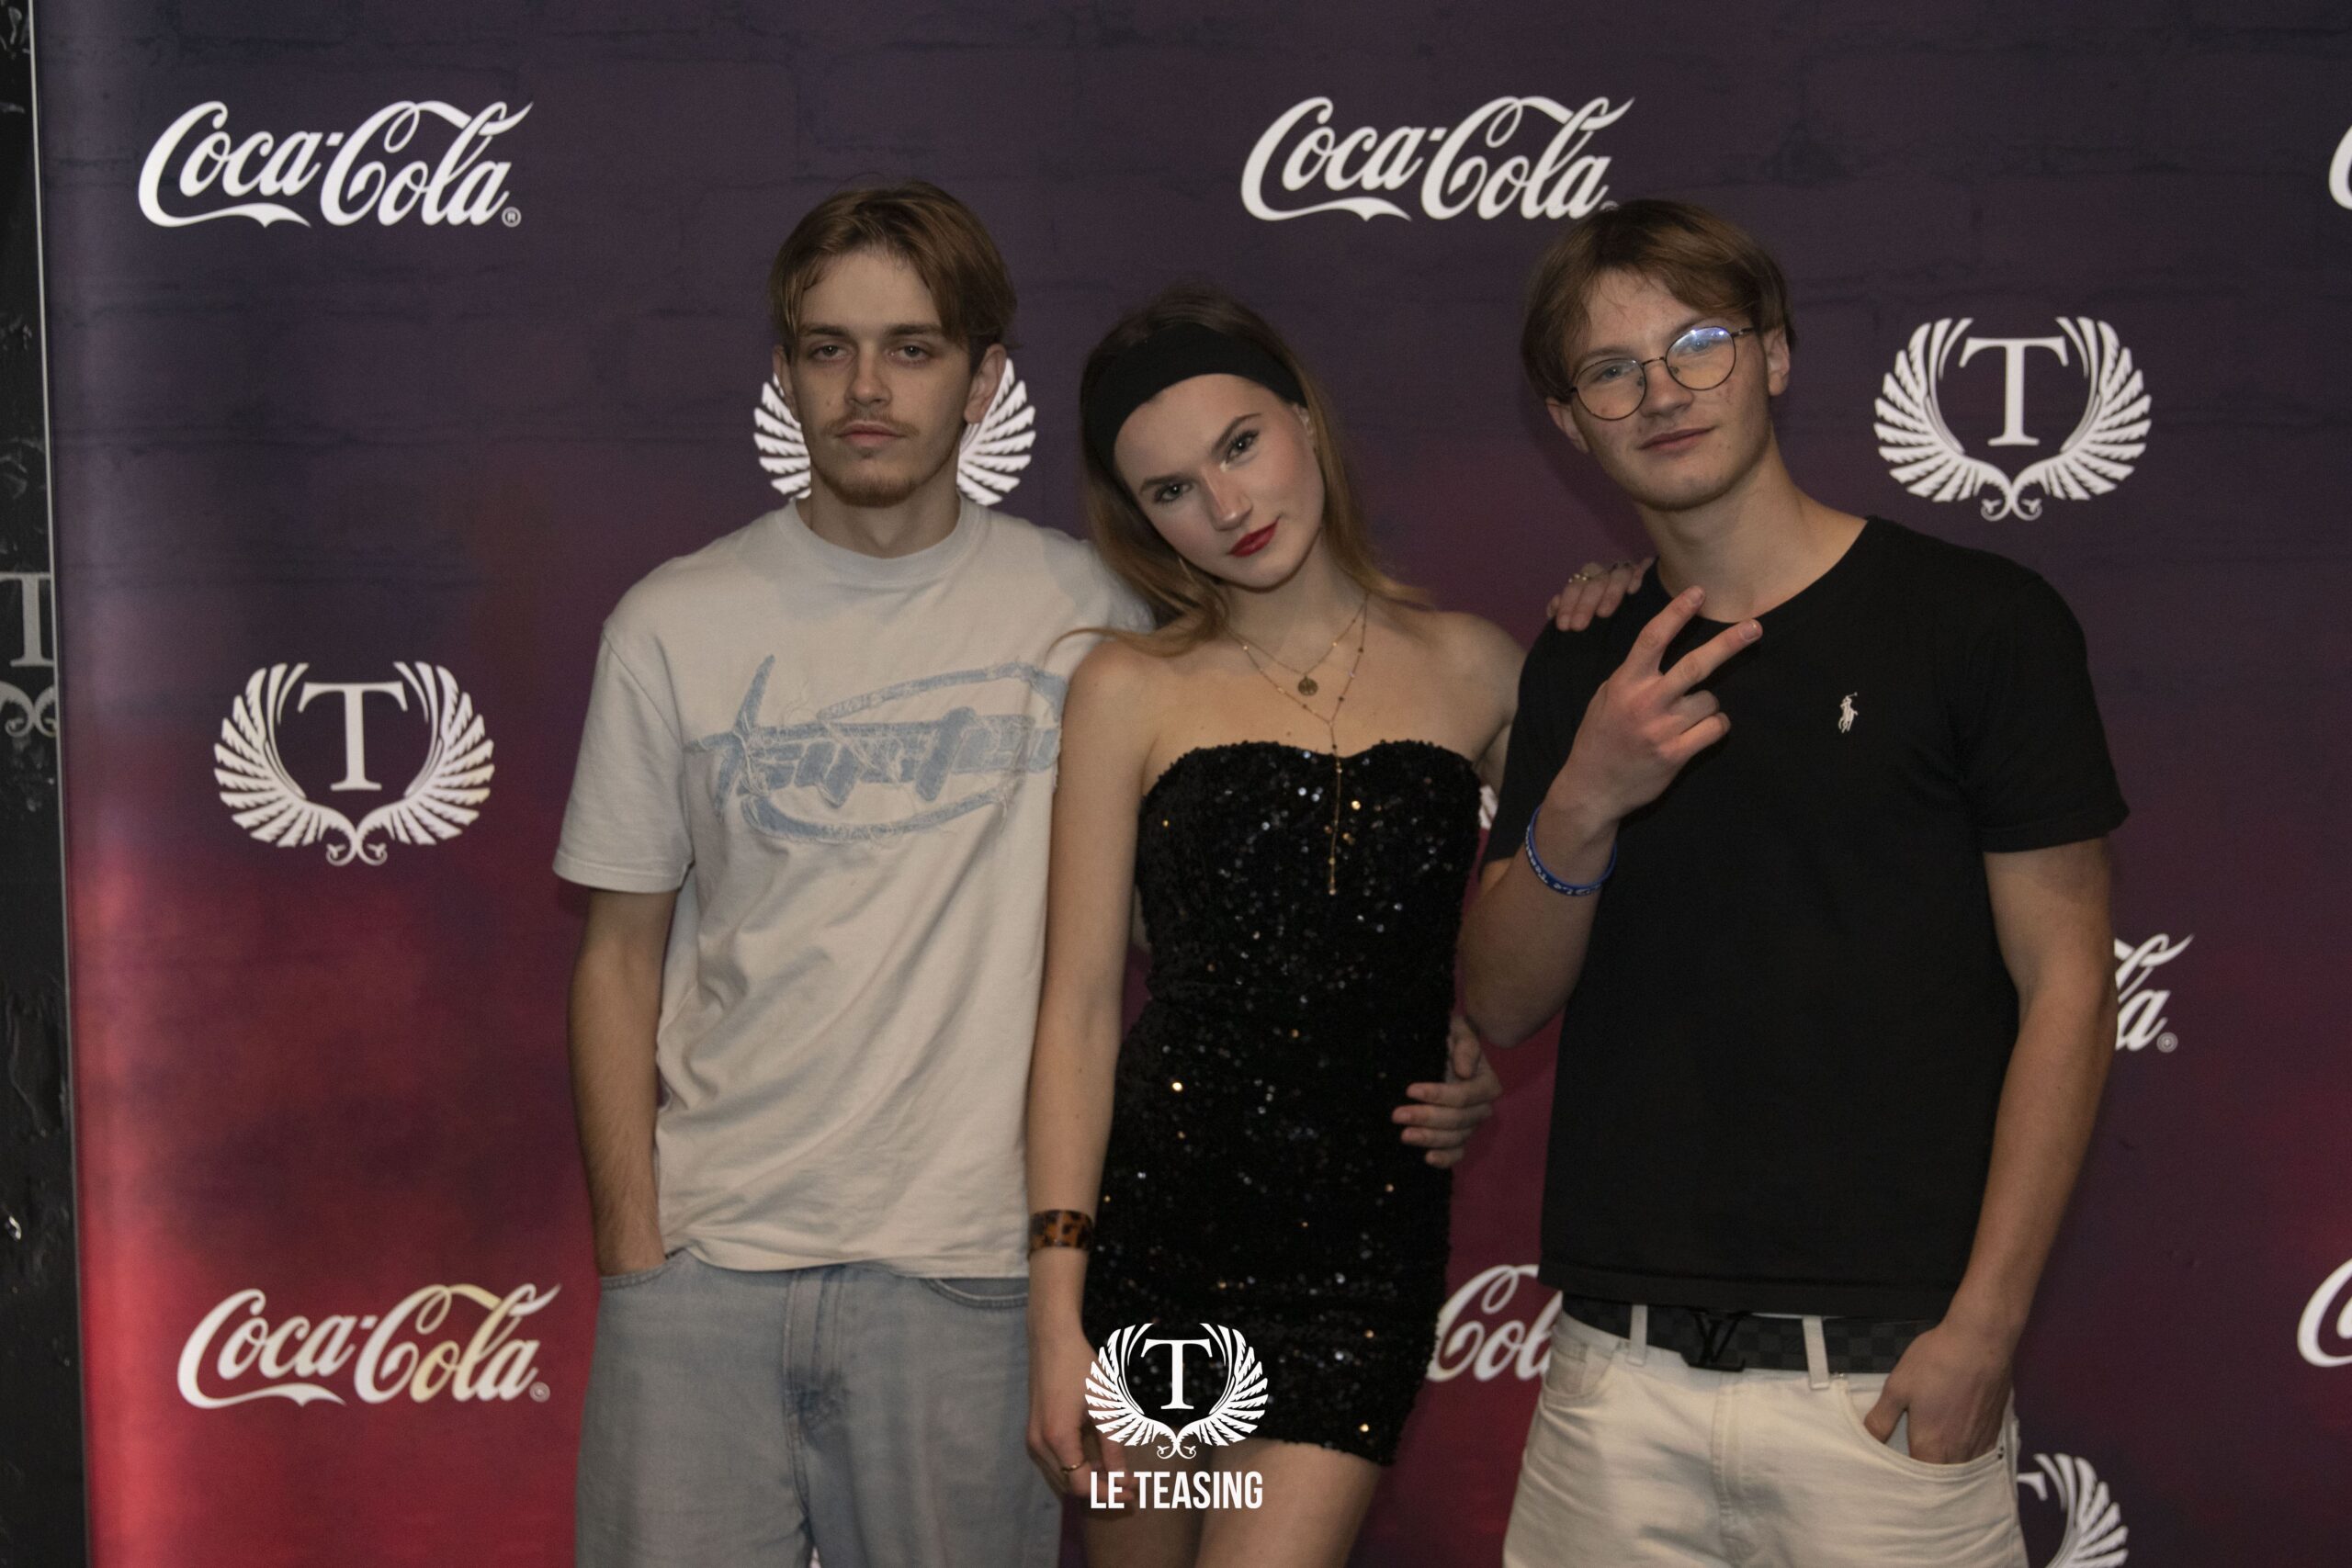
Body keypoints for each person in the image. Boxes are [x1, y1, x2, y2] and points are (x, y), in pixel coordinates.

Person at [553, 183, 1527, 1568]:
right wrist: (636, 1257)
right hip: (710, 1272)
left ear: (981, 379)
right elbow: (616, 957)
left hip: (979, 1283)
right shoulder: (671, 621)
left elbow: (1246, 886)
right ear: (784, 374)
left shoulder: (1100, 618)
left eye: (912, 347)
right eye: (829, 348)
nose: (868, 388)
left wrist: (1422, 1033)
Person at [1461, 198, 2127, 1568]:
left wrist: (1986, 1328)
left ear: (1773, 354)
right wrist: (1583, 795)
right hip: (1613, 1384)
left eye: (1698, 345)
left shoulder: (1980, 625)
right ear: (1569, 422)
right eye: (1611, 370)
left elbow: (2069, 984)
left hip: (1882, 1390)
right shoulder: (1585, 655)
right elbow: (1502, 1000)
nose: (1662, 393)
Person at [1022, 286, 1640, 1568]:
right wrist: (1056, 1315)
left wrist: (1478, 1039)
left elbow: (1558, 905)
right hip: (1165, 1240)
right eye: (1173, 489)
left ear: (1304, 420)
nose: (1227, 505)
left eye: (1240, 444)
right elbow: (1078, 1011)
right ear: (1140, 520)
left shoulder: (1478, 666)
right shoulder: (1125, 687)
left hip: (1363, 1256)